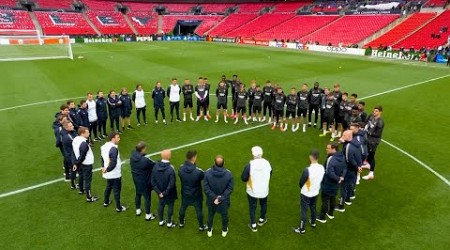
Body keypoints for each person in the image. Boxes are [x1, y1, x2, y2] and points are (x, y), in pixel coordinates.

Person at [293, 149, 325, 235]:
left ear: (310, 157)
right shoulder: (322, 168)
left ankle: (302, 229)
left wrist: (302, 187)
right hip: (315, 192)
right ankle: (313, 222)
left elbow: (301, 182)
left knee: (304, 210)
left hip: (306, 193)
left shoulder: (308, 170)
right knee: (313, 207)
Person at [241, 146, 272, 232]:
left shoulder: (249, 165)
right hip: (264, 189)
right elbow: (270, 173)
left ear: (253, 154)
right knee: (263, 204)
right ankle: (262, 220)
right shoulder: (267, 163)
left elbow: (243, 178)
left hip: (252, 191)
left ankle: (253, 225)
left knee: (252, 207)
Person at [204, 155, 234, 237]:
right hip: (223, 200)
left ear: (214, 163)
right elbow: (230, 188)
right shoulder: (228, 174)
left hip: (211, 200)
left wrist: (214, 197)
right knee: (224, 215)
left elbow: (206, 188)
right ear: (224, 163)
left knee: (210, 215)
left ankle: (209, 230)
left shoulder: (207, 173)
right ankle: (224, 230)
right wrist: (221, 197)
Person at [316, 142, 345, 223]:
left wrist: (338, 178)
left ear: (333, 149)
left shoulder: (331, 159)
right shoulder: (342, 156)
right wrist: (341, 177)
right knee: (332, 198)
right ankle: (331, 213)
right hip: (336, 185)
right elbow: (344, 168)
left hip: (328, 183)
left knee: (325, 200)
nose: (326, 150)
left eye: (328, 148)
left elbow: (330, 173)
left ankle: (322, 217)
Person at [178, 150, 207, 231]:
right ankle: (201, 226)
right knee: (199, 210)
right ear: (193, 158)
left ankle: (181, 223)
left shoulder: (180, 169)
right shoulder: (198, 171)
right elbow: (205, 176)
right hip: (196, 194)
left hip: (185, 193)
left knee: (183, 207)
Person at [335, 130, 362, 212]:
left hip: (348, 169)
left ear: (349, 136)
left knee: (343, 187)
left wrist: (356, 167)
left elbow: (348, 160)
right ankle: (348, 199)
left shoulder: (349, 147)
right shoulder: (356, 143)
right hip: (354, 169)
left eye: (344, 135)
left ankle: (341, 206)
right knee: (350, 184)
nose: (342, 136)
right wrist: (358, 166)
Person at [130, 141, 156, 221]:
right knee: (147, 198)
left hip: (136, 179)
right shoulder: (145, 160)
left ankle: (138, 210)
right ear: (142, 149)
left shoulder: (132, 156)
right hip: (145, 181)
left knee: (138, 194)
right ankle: (148, 215)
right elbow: (153, 165)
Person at [151, 149, 178, 228]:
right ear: (168, 156)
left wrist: (159, 192)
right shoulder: (171, 168)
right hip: (169, 192)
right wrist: (165, 192)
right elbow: (171, 183)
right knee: (170, 206)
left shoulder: (155, 166)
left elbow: (152, 181)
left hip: (159, 191)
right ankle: (169, 223)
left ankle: (161, 221)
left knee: (161, 204)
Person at [101, 132, 126, 212]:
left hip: (107, 173)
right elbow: (113, 162)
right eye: (117, 137)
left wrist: (103, 168)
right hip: (114, 173)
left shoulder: (104, 146)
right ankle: (119, 207)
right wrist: (107, 169)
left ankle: (106, 202)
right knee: (116, 190)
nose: (119, 139)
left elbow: (101, 158)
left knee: (108, 186)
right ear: (113, 138)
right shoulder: (113, 149)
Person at [72, 126, 98, 202]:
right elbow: (82, 155)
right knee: (87, 180)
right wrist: (76, 164)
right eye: (87, 132)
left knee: (81, 176)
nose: (89, 133)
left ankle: (81, 189)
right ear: (82, 133)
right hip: (86, 164)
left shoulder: (76, 139)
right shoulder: (84, 144)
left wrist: (76, 163)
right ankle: (89, 197)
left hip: (80, 163)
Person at [362, 106, 385, 180]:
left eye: (376, 111)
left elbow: (378, 134)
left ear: (380, 112)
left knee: (371, 156)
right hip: (368, 138)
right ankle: (367, 164)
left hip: (373, 141)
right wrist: (364, 127)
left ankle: (371, 173)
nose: (374, 112)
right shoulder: (371, 116)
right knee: (366, 152)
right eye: (374, 111)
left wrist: (367, 132)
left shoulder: (380, 122)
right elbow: (366, 123)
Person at [61, 121, 78, 189]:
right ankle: (73, 185)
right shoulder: (67, 136)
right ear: (66, 128)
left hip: (71, 155)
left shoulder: (69, 132)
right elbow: (76, 141)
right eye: (71, 126)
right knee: (73, 170)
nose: (73, 127)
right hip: (71, 156)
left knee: (74, 170)